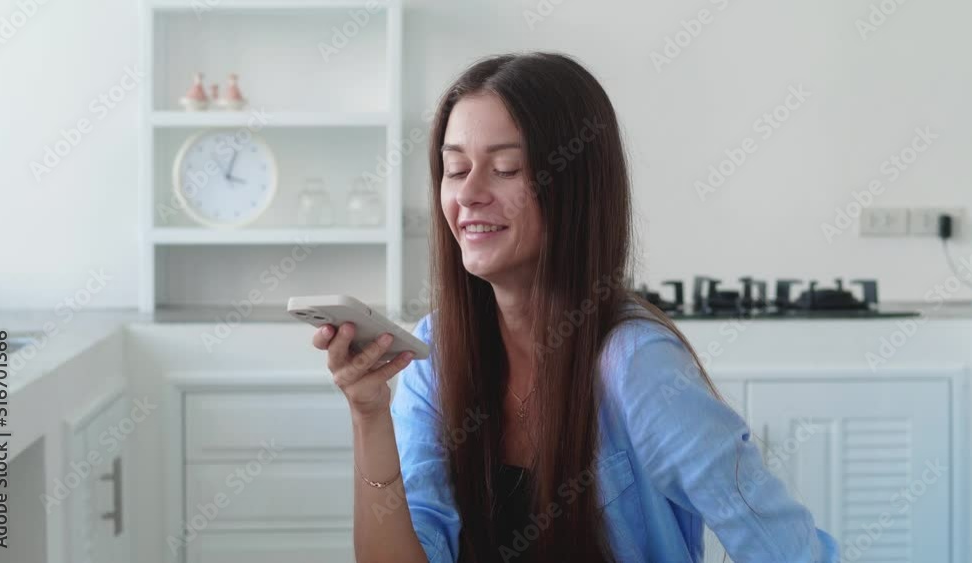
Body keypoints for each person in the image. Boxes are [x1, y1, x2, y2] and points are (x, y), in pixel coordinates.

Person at [312, 52, 839, 563]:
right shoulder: (438, 354)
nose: (469, 193)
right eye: (456, 168)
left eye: (506, 168)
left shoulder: (637, 363)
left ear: (574, 185)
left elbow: (790, 552)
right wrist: (369, 413)